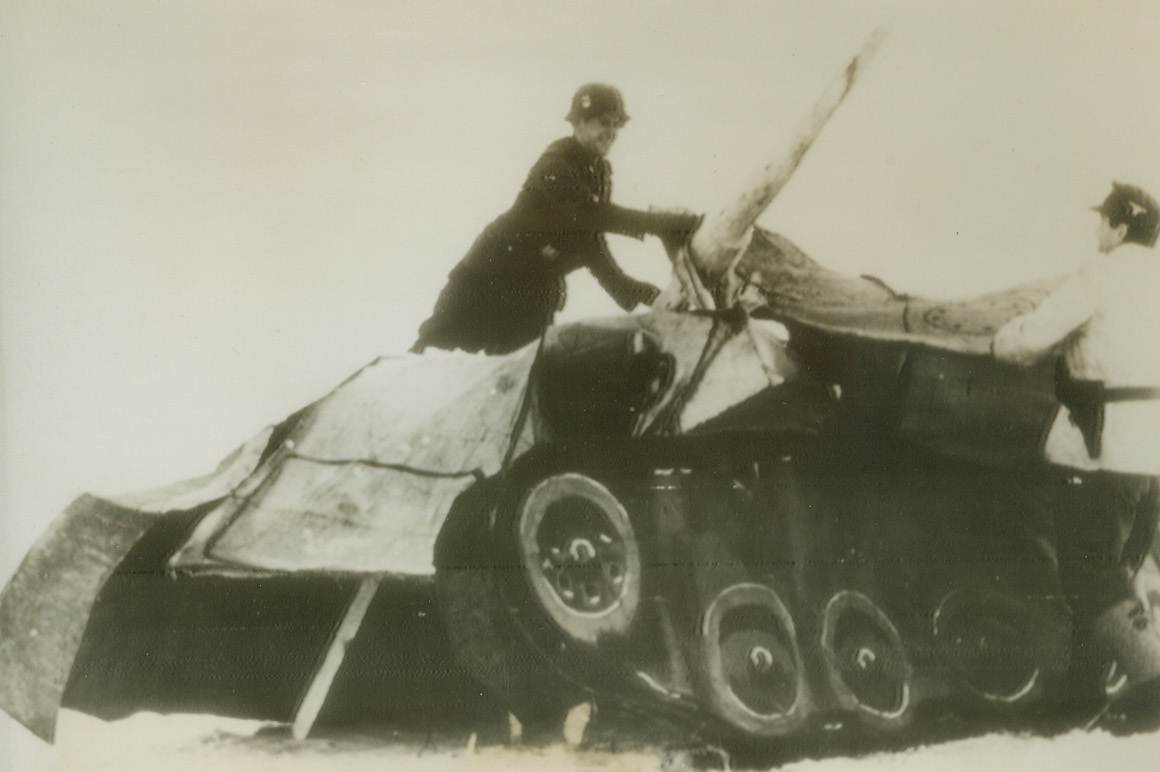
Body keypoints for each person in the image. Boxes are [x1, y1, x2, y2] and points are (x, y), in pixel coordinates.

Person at [991, 181, 1160, 725]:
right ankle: (1084, 693)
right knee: (1118, 570)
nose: (1095, 231)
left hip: (1102, 452)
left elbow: (1028, 339)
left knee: (1088, 573)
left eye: (1101, 222)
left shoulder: (1098, 276)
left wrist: (999, 339)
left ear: (1118, 225)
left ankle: (1152, 674)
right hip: (1151, 456)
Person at [411, 83, 702, 355]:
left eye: (616, 124)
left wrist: (632, 290)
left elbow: (590, 242)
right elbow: (593, 215)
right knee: (429, 367)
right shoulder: (555, 165)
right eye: (604, 122)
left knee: (521, 384)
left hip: (532, 295)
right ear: (579, 123)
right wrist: (672, 224)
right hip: (484, 286)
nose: (611, 132)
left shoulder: (599, 173)